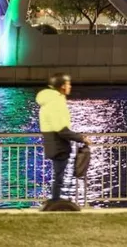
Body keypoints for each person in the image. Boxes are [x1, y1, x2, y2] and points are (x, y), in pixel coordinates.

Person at [36, 73, 89, 202]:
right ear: (62, 86)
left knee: (59, 175)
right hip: (58, 145)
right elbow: (61, 129)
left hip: (53, 143)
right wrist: (81, 138)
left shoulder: (50, 101)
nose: (70, 86)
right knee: (59, 176)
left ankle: (56, 200)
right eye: (68, 84)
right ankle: (55, 201)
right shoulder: (56, 102)